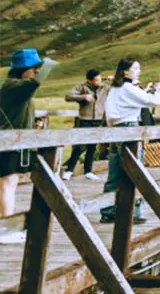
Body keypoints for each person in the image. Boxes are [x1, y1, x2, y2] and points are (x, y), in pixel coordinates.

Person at [100, 58, 160, 224]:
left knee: (115, 171)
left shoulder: (115, 88)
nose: (139, 71)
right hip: (129, 129)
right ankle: (132, 212)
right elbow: (154, 100)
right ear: (126, 71)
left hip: (116, 130)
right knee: (135, 171)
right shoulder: (128, 88)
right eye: (136, 68)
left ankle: (109, 210)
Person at [0, 48, 57, 245]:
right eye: (33, 68)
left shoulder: (14, 86)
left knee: (8, 184)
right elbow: (35, 83)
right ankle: (5, 230)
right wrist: (48, 64)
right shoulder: (14, 86)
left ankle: (5, 227)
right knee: (7, 184)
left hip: (13, 142)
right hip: (8, 143)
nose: (35, 72)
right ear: (22, 69)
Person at [62, 68, 106, 181]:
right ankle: (69, 170)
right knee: (80, 146)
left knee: (92, 146)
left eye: (100, 79)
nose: (99, 82)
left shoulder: (104, 87)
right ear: (90, 81)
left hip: (98, 120)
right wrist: (83, 97)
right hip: (85, 120)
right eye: (96, 80)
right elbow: (68, 96)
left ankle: (88, 171)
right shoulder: (81, 87)